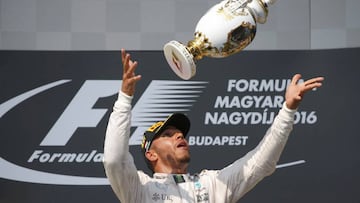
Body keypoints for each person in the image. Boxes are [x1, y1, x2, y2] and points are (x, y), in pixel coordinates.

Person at [103, 49, 324, 203]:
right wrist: (124, 98)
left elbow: (261, 163)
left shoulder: (211, 184)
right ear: (150, 154)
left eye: (180, 133)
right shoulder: (139, 189)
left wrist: (288, 110)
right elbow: (114, 159)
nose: (179, 136)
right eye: (168, 135)